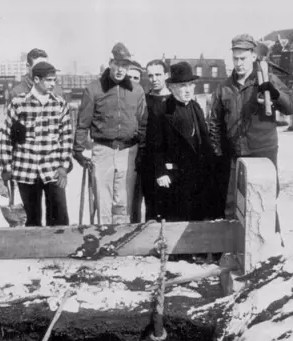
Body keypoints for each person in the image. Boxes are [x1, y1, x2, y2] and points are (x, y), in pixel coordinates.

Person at [208, 34, 293, 222]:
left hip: (263, 151)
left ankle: (271, 247)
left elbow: (290, 107)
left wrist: (275, 94)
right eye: (235, 58)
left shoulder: (267, 79)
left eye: (243, 58)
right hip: (236, 154)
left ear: (254, 56)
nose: (238, 63)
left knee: (265, 201)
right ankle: (240, 248)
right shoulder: (224, 88)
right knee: (237, 204)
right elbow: (214, 123)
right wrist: (217, 152)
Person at [73, 42, 148, 225]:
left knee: (123, 200)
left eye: (125, 66)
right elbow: (83, 123)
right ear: (110, 63)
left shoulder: (137, 91)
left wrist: (143, 149)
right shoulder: (94, 89)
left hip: (129, 150)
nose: (121, 70)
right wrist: (78, 150)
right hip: (103, 150)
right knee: (103, 201)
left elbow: (143, 123)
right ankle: (103, 243)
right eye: (118, 64)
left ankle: (121, 243)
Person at [0, 61, 73, 227]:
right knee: (32, 219)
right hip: (26, 169)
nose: (53, 84)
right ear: (37, 80)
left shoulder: (60, 104)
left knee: (59, 218)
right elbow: (7, 136)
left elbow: (66, 137)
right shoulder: (19, 103)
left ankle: (57, 251)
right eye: (49, 80)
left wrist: (63, 166)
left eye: (54, 80)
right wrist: (6, 167)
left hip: (52, 170)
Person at [149, 62, 214, 222]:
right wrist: (160, 172)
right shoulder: (162, 111)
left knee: (197, 220)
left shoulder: (195, 107)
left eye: (190, 85)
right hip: (174, 176)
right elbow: (154, 146)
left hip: (197, 175)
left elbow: (204, 140)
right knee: (176, 221)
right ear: (172, 87)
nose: (187, 90)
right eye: (182, 85)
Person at [135, 59, 171, 221]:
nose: (154, 79)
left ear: (166, 75)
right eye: (150, 76)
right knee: (151, 207)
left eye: (158, 75)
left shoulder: (173, 100)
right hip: (148, 160)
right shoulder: (144, 100)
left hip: (170, 163)